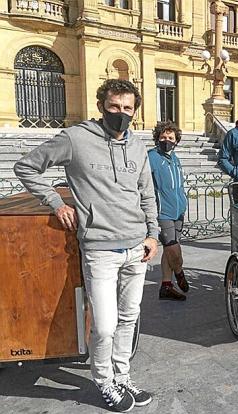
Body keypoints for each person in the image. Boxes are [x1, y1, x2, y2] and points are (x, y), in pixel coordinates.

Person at [13, 79, 157, 411]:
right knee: (105, 326)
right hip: (100, 249)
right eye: (114, 107)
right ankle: (104, 381)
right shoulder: (76, 138)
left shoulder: (137, 146)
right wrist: (55, 202)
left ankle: (122, 376)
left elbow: (146, 193)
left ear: (135, 110)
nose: (121, 114)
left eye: (127, 108)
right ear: (100, 106)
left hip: (137, 247)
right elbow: (27, 166)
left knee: (129, 317)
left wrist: (153, 235)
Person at [149, 121, 189, 301]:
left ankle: (166, 285)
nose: (167, 140)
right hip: (162, 212)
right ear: (157, 138)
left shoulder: (175, 158)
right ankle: (179, 273)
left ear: (176, 140)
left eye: (171, 138)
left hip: (178, 210)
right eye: (163, 137)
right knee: (173, 250)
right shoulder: (151, 157)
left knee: (169, 249)